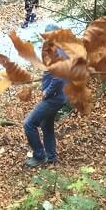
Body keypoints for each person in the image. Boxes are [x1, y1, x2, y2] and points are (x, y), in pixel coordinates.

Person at [23, 39, 69, 168]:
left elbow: (59, 77)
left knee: (29, 124)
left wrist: (47, 91)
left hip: (54, 98)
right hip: (58, 97)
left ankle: (39, 156)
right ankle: (51, 157)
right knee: (46, 125)